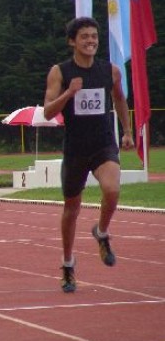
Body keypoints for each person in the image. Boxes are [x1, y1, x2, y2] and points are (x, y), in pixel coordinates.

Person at [43, 17, 133, 293]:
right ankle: (68, 264)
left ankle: (102, 232)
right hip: (76, 149)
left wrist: (126, 131)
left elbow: (119, 99)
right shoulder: (60, 72)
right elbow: (48, 111)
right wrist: (69, 93)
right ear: (73, 41)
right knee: (72, 208)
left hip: (104, 144)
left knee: (112, 189)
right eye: (85, 37)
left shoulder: (111, 71)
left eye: (94, 37)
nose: (91, 41)